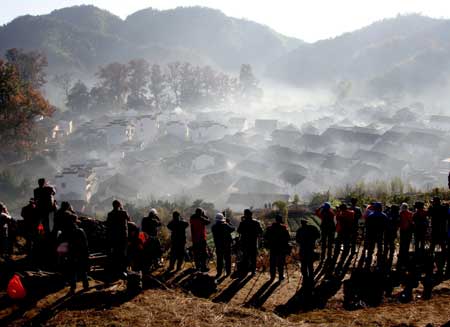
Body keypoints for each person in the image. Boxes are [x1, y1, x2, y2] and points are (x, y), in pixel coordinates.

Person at [58, 212, 89, 294]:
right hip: (80, 253)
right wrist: (86, 254)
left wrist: (62, 255)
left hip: (70, 254)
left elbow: (62, 244)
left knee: (72, 271)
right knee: (82, 270)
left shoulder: (64, 232)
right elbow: (85, 244)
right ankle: (85, 285)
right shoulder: (80, 231)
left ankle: (73, 287)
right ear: (75, 221)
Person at [106, 200, 130, 279]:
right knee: (123, 254)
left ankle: (116, 270)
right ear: (119, 205)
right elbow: (129, 219)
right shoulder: (123, 213)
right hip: (123, 237)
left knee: (116, 253)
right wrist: (122, 208)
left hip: (114, 237)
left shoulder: (110, 214)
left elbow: (108, 225)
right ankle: (123, 270)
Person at [264, 214, 290, 281]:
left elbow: (265, 237)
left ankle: (272, 277)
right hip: (281, 248)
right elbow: (288, 238)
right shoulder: (284, 228)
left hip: (273, 248)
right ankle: (280, 277)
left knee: (273, 262)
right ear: (281, 220)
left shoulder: (270, 228)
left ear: (275, 220)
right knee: (280, 263)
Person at [296, 218, 320, 290]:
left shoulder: (299, 230)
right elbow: (318, 236)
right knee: (310, 264)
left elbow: (297, 240)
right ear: (307, 222)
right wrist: (313, 240)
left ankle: (305, 278)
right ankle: (311, 278)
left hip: (303, 249)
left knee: (303, 264)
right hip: (310, 249)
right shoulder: (313, 228)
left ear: (301, 223)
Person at [237, 209, 263, 275]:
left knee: (246, 257)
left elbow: (239, 231)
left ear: (245, 215)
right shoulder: (256, 222)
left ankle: (245, 271)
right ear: (251, 215)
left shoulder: (242, 223)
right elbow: (261, 232)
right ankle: (253, 271)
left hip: (245, 243)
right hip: (253, 242)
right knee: (253, 257)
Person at [212, 213, 235, 278]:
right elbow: (233, 229)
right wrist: (228, 222)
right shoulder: (226, 225)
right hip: (226, 245)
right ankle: (228, 272)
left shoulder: (214, 227)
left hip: (218, 245)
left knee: (219, 259)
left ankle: (219, 272)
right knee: (227, 258)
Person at [364, 202, 387, 268]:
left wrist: (367, 234)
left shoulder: (370, 215)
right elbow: (386, 226)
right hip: (380, 234)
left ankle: (368, 260)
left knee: (371, 247)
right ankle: (379, 260)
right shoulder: (384, 216)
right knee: (380, 247)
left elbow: (367, 226)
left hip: (372, 234)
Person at [190, 208, 210, 272]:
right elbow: (208, 221)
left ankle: (197, 267)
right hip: (201, 239)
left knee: (196, 254)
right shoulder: (202, 219)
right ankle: (203, 267)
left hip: (195, 239)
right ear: (201, 213)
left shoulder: (192, 219)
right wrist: (204, 215)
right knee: (203, 253)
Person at [398, 203, 414, 268]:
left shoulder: (400, 213)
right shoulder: (410, 213)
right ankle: (406, 255)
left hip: (403, 230)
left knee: (402, 243)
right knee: (407, 243)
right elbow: (411, 222)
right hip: (408, 230)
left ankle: (401, 255)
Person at [384, 204, 400, 269]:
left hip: (387, 231)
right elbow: (398, 223)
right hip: (393, 231)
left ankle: (385, 254)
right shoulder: (398, 215)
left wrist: (387, 209)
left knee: (386, 242)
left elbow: (384, 215)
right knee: (391, 243)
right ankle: (391, 254)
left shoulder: (388, 213)